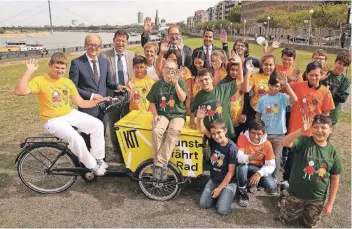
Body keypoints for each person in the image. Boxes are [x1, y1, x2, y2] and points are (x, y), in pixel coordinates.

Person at [14, 53, 108, 176]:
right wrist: (29, 71)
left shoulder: (67, 82)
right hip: (52, 120)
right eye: (57, 67)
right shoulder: (40, 80)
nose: (60, 71)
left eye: (62, 68)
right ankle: (93, 166)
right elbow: (19, 91)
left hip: (69, 114)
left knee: (97, 125)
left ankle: (98, 158)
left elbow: (81, 103)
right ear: (50, 65)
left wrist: (97, 101)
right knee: (75, 138)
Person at [281, 61, 335, 196]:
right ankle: (285, 183)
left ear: (321, 74)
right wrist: (288, 81)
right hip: (296, 130)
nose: (314, 78)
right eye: (311, 75)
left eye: (317, 75)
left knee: (308, 159)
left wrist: (323, 132)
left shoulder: (325, 92)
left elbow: (326, 114)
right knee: (292, 157)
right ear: (307, 74)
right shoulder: (298, 86)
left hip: (313, 133)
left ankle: (304, 184)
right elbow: (283, 88)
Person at [279, 115, 343, 228]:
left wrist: (330, 203)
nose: (319, 130)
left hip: (316, 200)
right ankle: (285, 196)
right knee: (286, 220)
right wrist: (301, 130)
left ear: (330, 130)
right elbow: (284, 142)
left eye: (323, 127)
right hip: (295, 195)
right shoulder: (303, 141)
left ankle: (286, 195)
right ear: (311, 128)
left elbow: (335, 178)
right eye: (316, 127)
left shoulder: (333, 153)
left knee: (310, 225)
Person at [69, 34, 120, 150]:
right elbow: (72, 87)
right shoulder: (77, 63)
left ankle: (101, 162)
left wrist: (118, 86)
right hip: (86, 108)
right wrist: (91, 96)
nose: (93, 47)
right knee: (87, 138)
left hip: (103, 108)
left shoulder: (104, 61)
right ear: (85, 45)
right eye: (90, 44)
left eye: (96, 45)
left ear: (100, 46)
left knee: (101, 137)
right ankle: (86, 166)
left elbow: (109, 82)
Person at [146, 59, 187, 180]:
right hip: (163, 113)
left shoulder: (181, 82)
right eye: (167, 69)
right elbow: (152, 102)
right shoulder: (157, 85)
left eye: (173, 70)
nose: (170, 71)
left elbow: (183, 98)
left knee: (174, 131)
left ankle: (159, 163)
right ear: (162, 70)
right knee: (157, 130)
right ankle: (161, 165)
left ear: (176, 71)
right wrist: (155, 115)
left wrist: (176, 83)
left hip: (178, 114)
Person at [255, 74, 298, 182]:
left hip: (279, 133)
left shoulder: (282, 97)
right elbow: (258, 115)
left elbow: (295, 100)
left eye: (277, 86)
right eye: (272, 85)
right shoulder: (263, 99)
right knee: (263, 155)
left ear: (280, 87)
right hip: (265, 133)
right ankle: (263, 177)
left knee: (277, 156)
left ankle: (274, 178)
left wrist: (287, 85)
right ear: (268, 84)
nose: (274, 88)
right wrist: (258, 129)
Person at [101, 30, 136, 163]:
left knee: (128, 123)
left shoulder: (132, 56)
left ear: (127, 42)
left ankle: (128, 148)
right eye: (118, 40)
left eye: (123, 41)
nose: (120, 43)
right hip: (112, 94)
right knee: (114, 122)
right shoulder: (104, 56)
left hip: (129, 95)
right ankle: (117, 150)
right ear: (113, 40)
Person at [191, 66, 243, 149]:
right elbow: (193, 110)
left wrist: (239, 63)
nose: (204, 82)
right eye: (201, 80)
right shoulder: (199, 96)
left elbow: (240, 80)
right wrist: (192, 122)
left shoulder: (223, 89)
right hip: (213, 135)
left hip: (227, 132)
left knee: (231, 153)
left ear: (212, 79)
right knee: (216, 156)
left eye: (206, 79)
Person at [197, 114, 238, 215]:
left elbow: (230, 172)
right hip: (215, 179)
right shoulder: (214, 141)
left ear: (225, 131)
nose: (216, 136)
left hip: (228, 182)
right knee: (203, 204)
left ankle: (229, 193)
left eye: (219, 132)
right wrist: (199, 118)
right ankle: (220, 196)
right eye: (213, 133)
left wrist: (219, 189)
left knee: (222, 210)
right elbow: (202, 129)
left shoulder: (232, 148)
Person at [236, 119, 277, 207]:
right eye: (253, 133)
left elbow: (271, 165)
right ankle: (242, 192)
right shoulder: (243, 138)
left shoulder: (267, 144)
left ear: (263, 133)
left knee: (272, 188)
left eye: (259, 134)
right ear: (248, 131)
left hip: (258, 168)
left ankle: (252, 182)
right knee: (241, 167)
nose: (255, 136)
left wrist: (259, 173)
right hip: (246, 166)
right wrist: (251, 157)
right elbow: (238, 158)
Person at [219, 59, 248, 144]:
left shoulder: (243, 83)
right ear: (228, 70)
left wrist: (244, 114)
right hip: (225, 120)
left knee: (234, 142)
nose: (235, 72)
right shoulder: (223, 83)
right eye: (232, 70)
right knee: (223, 141)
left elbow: (247, 101)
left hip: (238, 121)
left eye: (237, 70)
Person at [242, 54, 277, 121]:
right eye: (266, 64)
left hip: (270, 112)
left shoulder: (278, 78)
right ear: (261, 65)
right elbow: (246, 89)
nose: (268, 67)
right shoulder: (255, 76)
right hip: (254, 111)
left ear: (274, 66)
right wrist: (249, 71)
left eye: (271, 65)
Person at [321, 51, 351, 125]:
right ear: (335, 62)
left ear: (347, 67)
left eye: (344, 65)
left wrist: (327, 91)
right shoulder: (326, 74)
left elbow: (343, 98)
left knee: (328, 135)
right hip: (319, 109)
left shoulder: (345, 80)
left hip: (333, 114)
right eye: (339, 63)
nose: (341, 66)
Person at [186, 49, 206, 128]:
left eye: (200, 63)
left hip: (205, 101)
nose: (197, 65)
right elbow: (189, 89)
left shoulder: (208, 72)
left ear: (204, 61)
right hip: (193, 100)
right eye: (195, 63)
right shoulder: (190, 71)